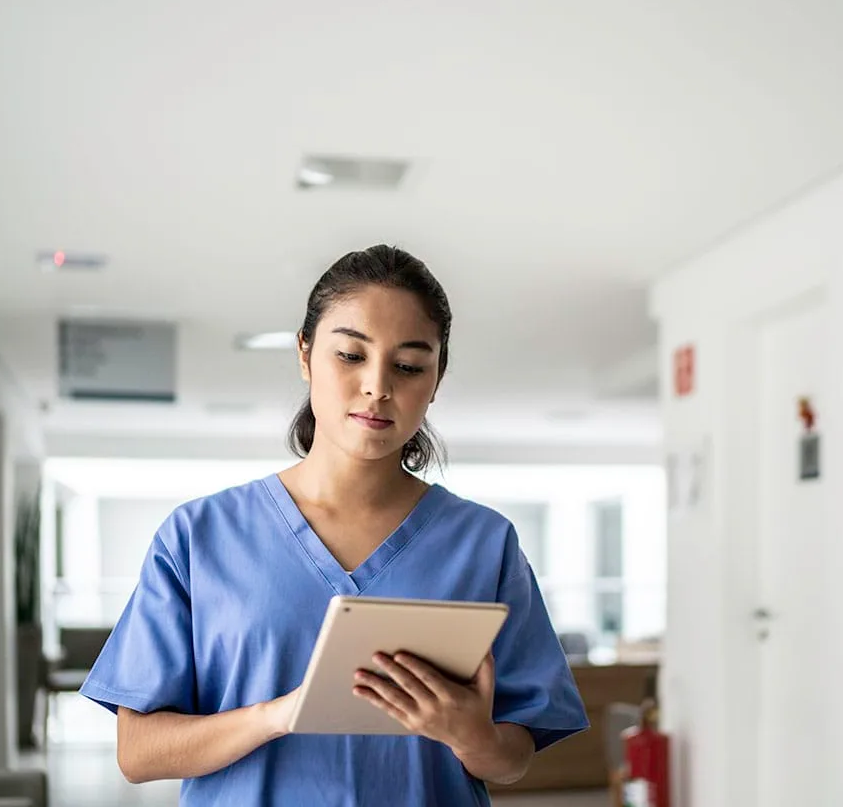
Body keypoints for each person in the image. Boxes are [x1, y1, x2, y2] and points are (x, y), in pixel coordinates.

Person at [79, 245, 589, 805]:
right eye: (350, 355)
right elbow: (138, 752)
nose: (377, 386)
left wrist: (473, 735)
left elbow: (514, 756)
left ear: (436, 379)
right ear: (305, 354)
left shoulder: (485, 545)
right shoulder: (198, 537)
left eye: (410, 365)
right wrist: (275, 716)